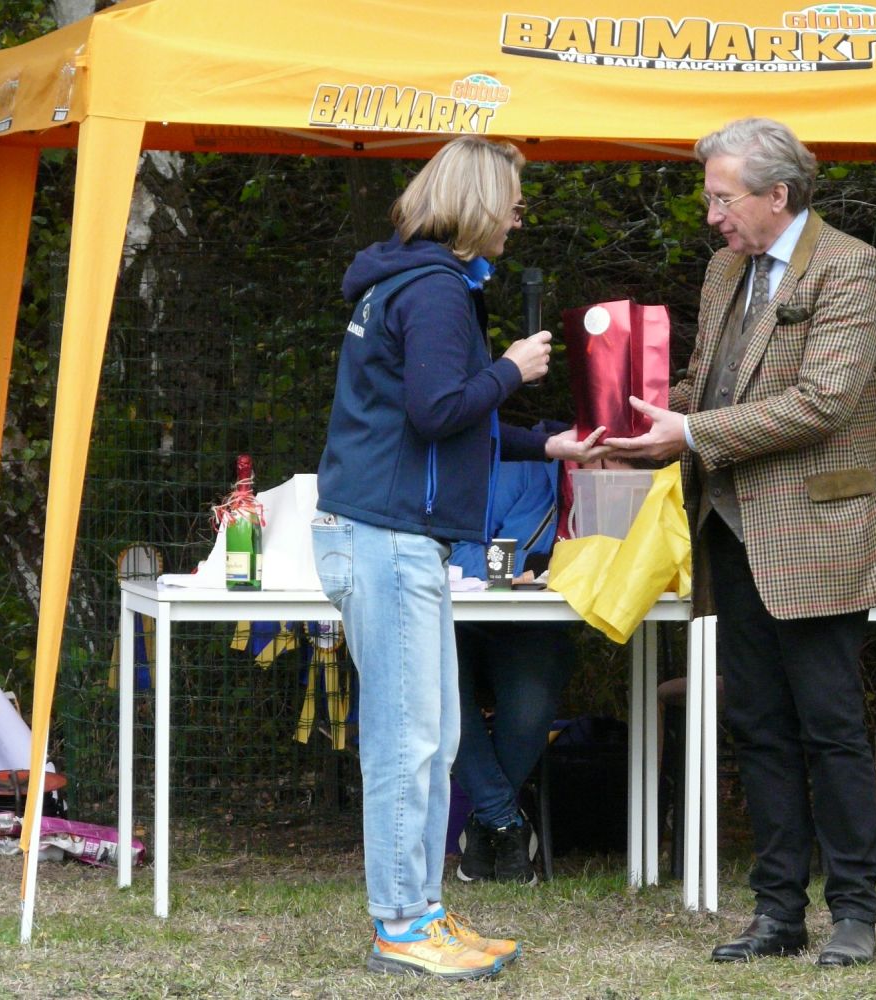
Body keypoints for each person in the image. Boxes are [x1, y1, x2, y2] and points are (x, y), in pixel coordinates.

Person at [311, 135, 608, 981]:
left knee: (431, 736)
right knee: (409, 744)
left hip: (390, 531)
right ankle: (403, 925)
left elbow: (440, 417)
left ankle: (420, 911)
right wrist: (511, 369)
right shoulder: (436, 288)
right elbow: (439, 409)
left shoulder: (411, 279)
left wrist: (547, 443)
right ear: (477, 202)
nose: (518, 216)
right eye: (512, 201)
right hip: (387, 535)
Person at [605, 117, 876, 968]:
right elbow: (707, 386)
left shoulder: (850, 266)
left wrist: (691, 432)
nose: (711, 217)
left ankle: (854, 914)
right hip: (727, 532)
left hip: (816, 534)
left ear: (778, 194)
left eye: (722, 199)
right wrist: (633, 424)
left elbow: (822, 404)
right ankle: (777, 915)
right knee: (757, 726)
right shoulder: (724, 270)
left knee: (829, 728)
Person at [449, 451, 576, 885]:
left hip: (535, 623)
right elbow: (456, 547)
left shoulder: (624, 489)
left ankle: (486, 825)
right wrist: (523, 566)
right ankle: (506, 821)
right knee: (435, 691)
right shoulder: (523, 466)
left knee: (529, 707)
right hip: (456, 618)